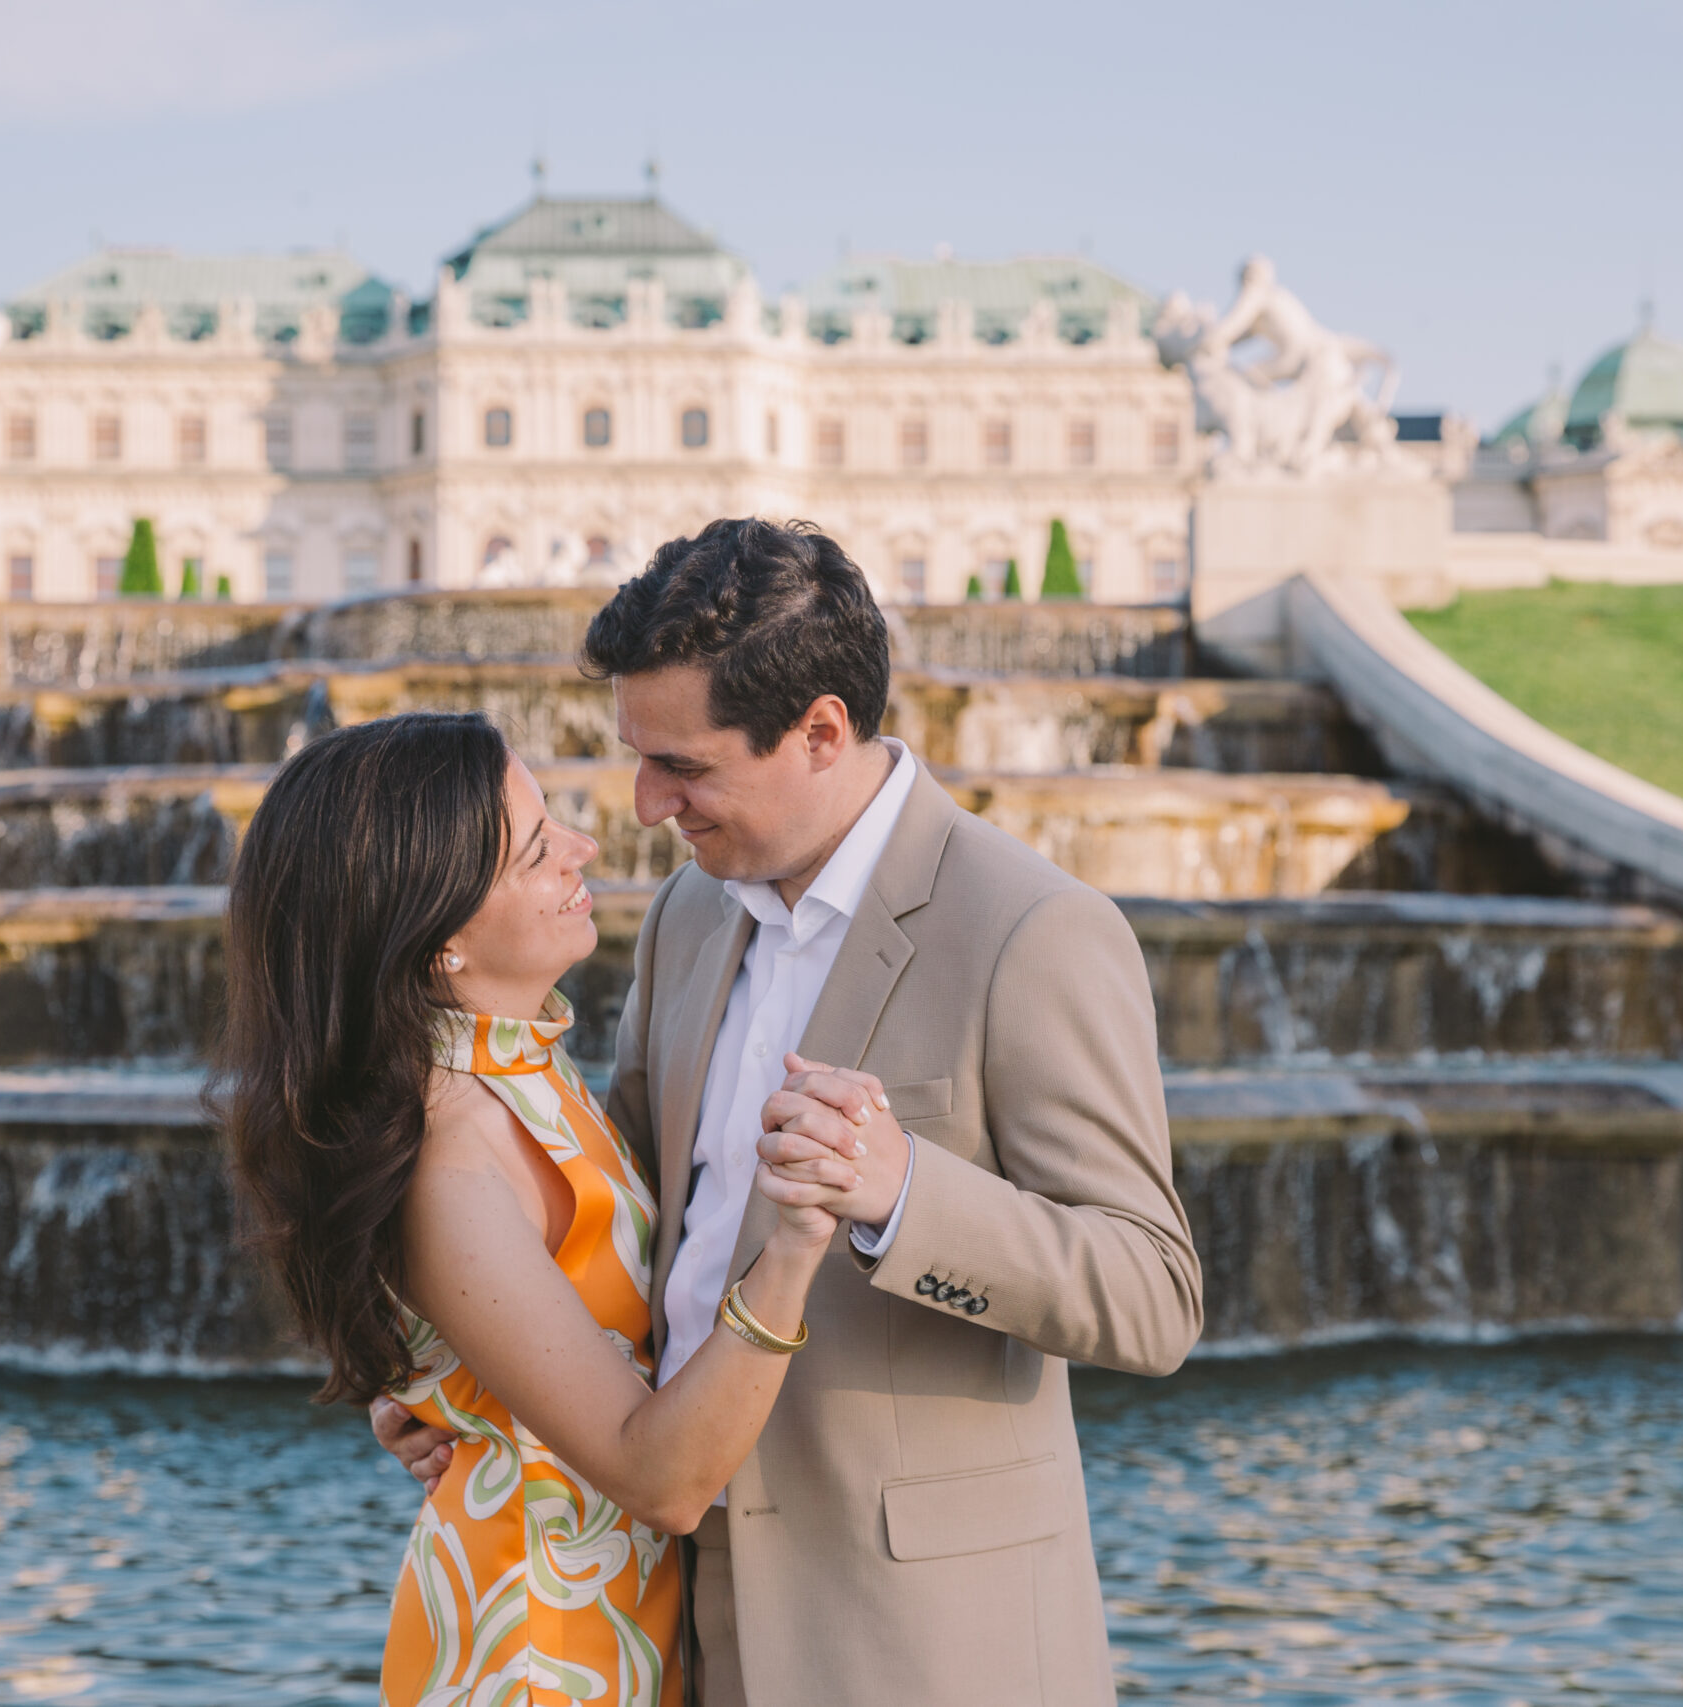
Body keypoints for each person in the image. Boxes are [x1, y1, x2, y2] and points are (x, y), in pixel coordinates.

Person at [375, 518, 1204, 1705]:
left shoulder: (1032, 931)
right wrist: (470, 1379)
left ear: (820, 731)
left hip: (922, 1646)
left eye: (687, 768)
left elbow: (1152, 1297)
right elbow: (613, 1226)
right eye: (638, 757)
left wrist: (902, 1192)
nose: (648, 805)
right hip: (669, 1626)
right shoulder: (688, 916)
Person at [216, 710, 862, 1707]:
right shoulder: (453, 1154)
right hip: (537, 1654)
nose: (583, 847)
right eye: (533, 852)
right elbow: (663, 1480)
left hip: (608, 1622)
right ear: (437, 943)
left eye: (551, 819)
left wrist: (455, 1395)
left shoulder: (518, 1066)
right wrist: (796, 1240)